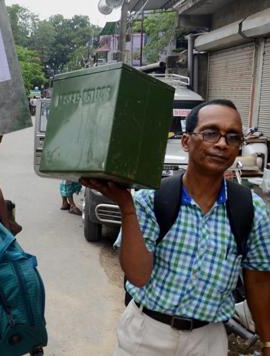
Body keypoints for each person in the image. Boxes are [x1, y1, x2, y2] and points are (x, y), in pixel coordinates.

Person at [82, 99, 270, 356]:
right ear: (186, 141)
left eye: (233, 137)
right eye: (210, 133)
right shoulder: (151, 199)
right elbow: (137, 275)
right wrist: (127, 207)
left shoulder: (250, 208)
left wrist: (267, 341)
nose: (222, 143)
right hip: (146, 334)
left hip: (209, 340)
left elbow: (258, 281)